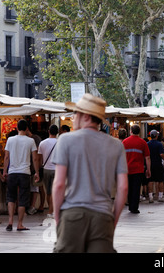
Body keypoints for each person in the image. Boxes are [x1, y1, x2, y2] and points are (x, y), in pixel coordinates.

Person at [52, 93, 128, 253]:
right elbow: (123, 188)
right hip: (103, 216)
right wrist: (112, 219)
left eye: (76, 113)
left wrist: (58, 217)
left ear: (85, 116)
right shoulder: (116, 145)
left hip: (72, 214)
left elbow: (59, 184)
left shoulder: (66, 140)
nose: (73, 118)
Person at [3, 119, 40, 231]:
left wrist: (5, 171)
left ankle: (10, 221)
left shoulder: (10, 140)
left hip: (12, 172)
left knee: (11, 197)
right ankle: (19, 224)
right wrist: (37, 172)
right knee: (23, 198)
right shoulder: (30, 141)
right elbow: (35, 158)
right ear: (27, 128)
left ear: (17, 128)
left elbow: (6, 157)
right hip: (25, 173)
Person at [123, 124, 151, 213]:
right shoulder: (143, 142)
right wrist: (148, 169)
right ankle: (134, 207)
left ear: (131, 131)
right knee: (136, 188)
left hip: (127, 169)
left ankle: (130, 204)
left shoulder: (124, 142)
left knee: (129, 188)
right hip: (138, 170)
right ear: (139, 132)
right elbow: (147, 157)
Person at [37, 124, 58, 218]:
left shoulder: (42, 143)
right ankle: (51, 211)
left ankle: (51, 210)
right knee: (54, 192)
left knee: (48, 192)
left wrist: (37, 171)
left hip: (46, 169)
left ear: (48, 131)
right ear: (57, 133)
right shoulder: (60, 143)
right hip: (56, 169)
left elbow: (39, 159)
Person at [147, 130, 164, 203]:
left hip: (150, 164)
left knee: (150, 181)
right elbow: (161, 154)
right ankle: (160, 196)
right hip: (158, 164)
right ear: (156, 136)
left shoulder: (147, 144)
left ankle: (150, 197)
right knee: (160, 180)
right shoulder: (159, 144)